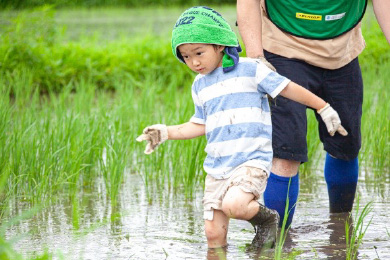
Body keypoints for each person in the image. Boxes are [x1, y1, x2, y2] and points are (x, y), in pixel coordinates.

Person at [136, 6, 347, 250]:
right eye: (185, 56)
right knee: (213, 235)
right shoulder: (199, 85)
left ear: (220, 45)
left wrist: (323, 107)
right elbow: (199, 124)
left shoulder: (250, 69)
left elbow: (288, 88)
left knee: (235, 205)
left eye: (199, 52)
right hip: (217, 167)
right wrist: (165, 132)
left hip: (250, 162)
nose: (193, 62)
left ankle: (268, 219)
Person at [236, 0, 390, 228]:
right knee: (287, 152)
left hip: (341, 54)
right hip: (283, 50)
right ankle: (276, 240)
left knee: (345, 146)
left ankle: (340, 229)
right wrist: (257, 59)